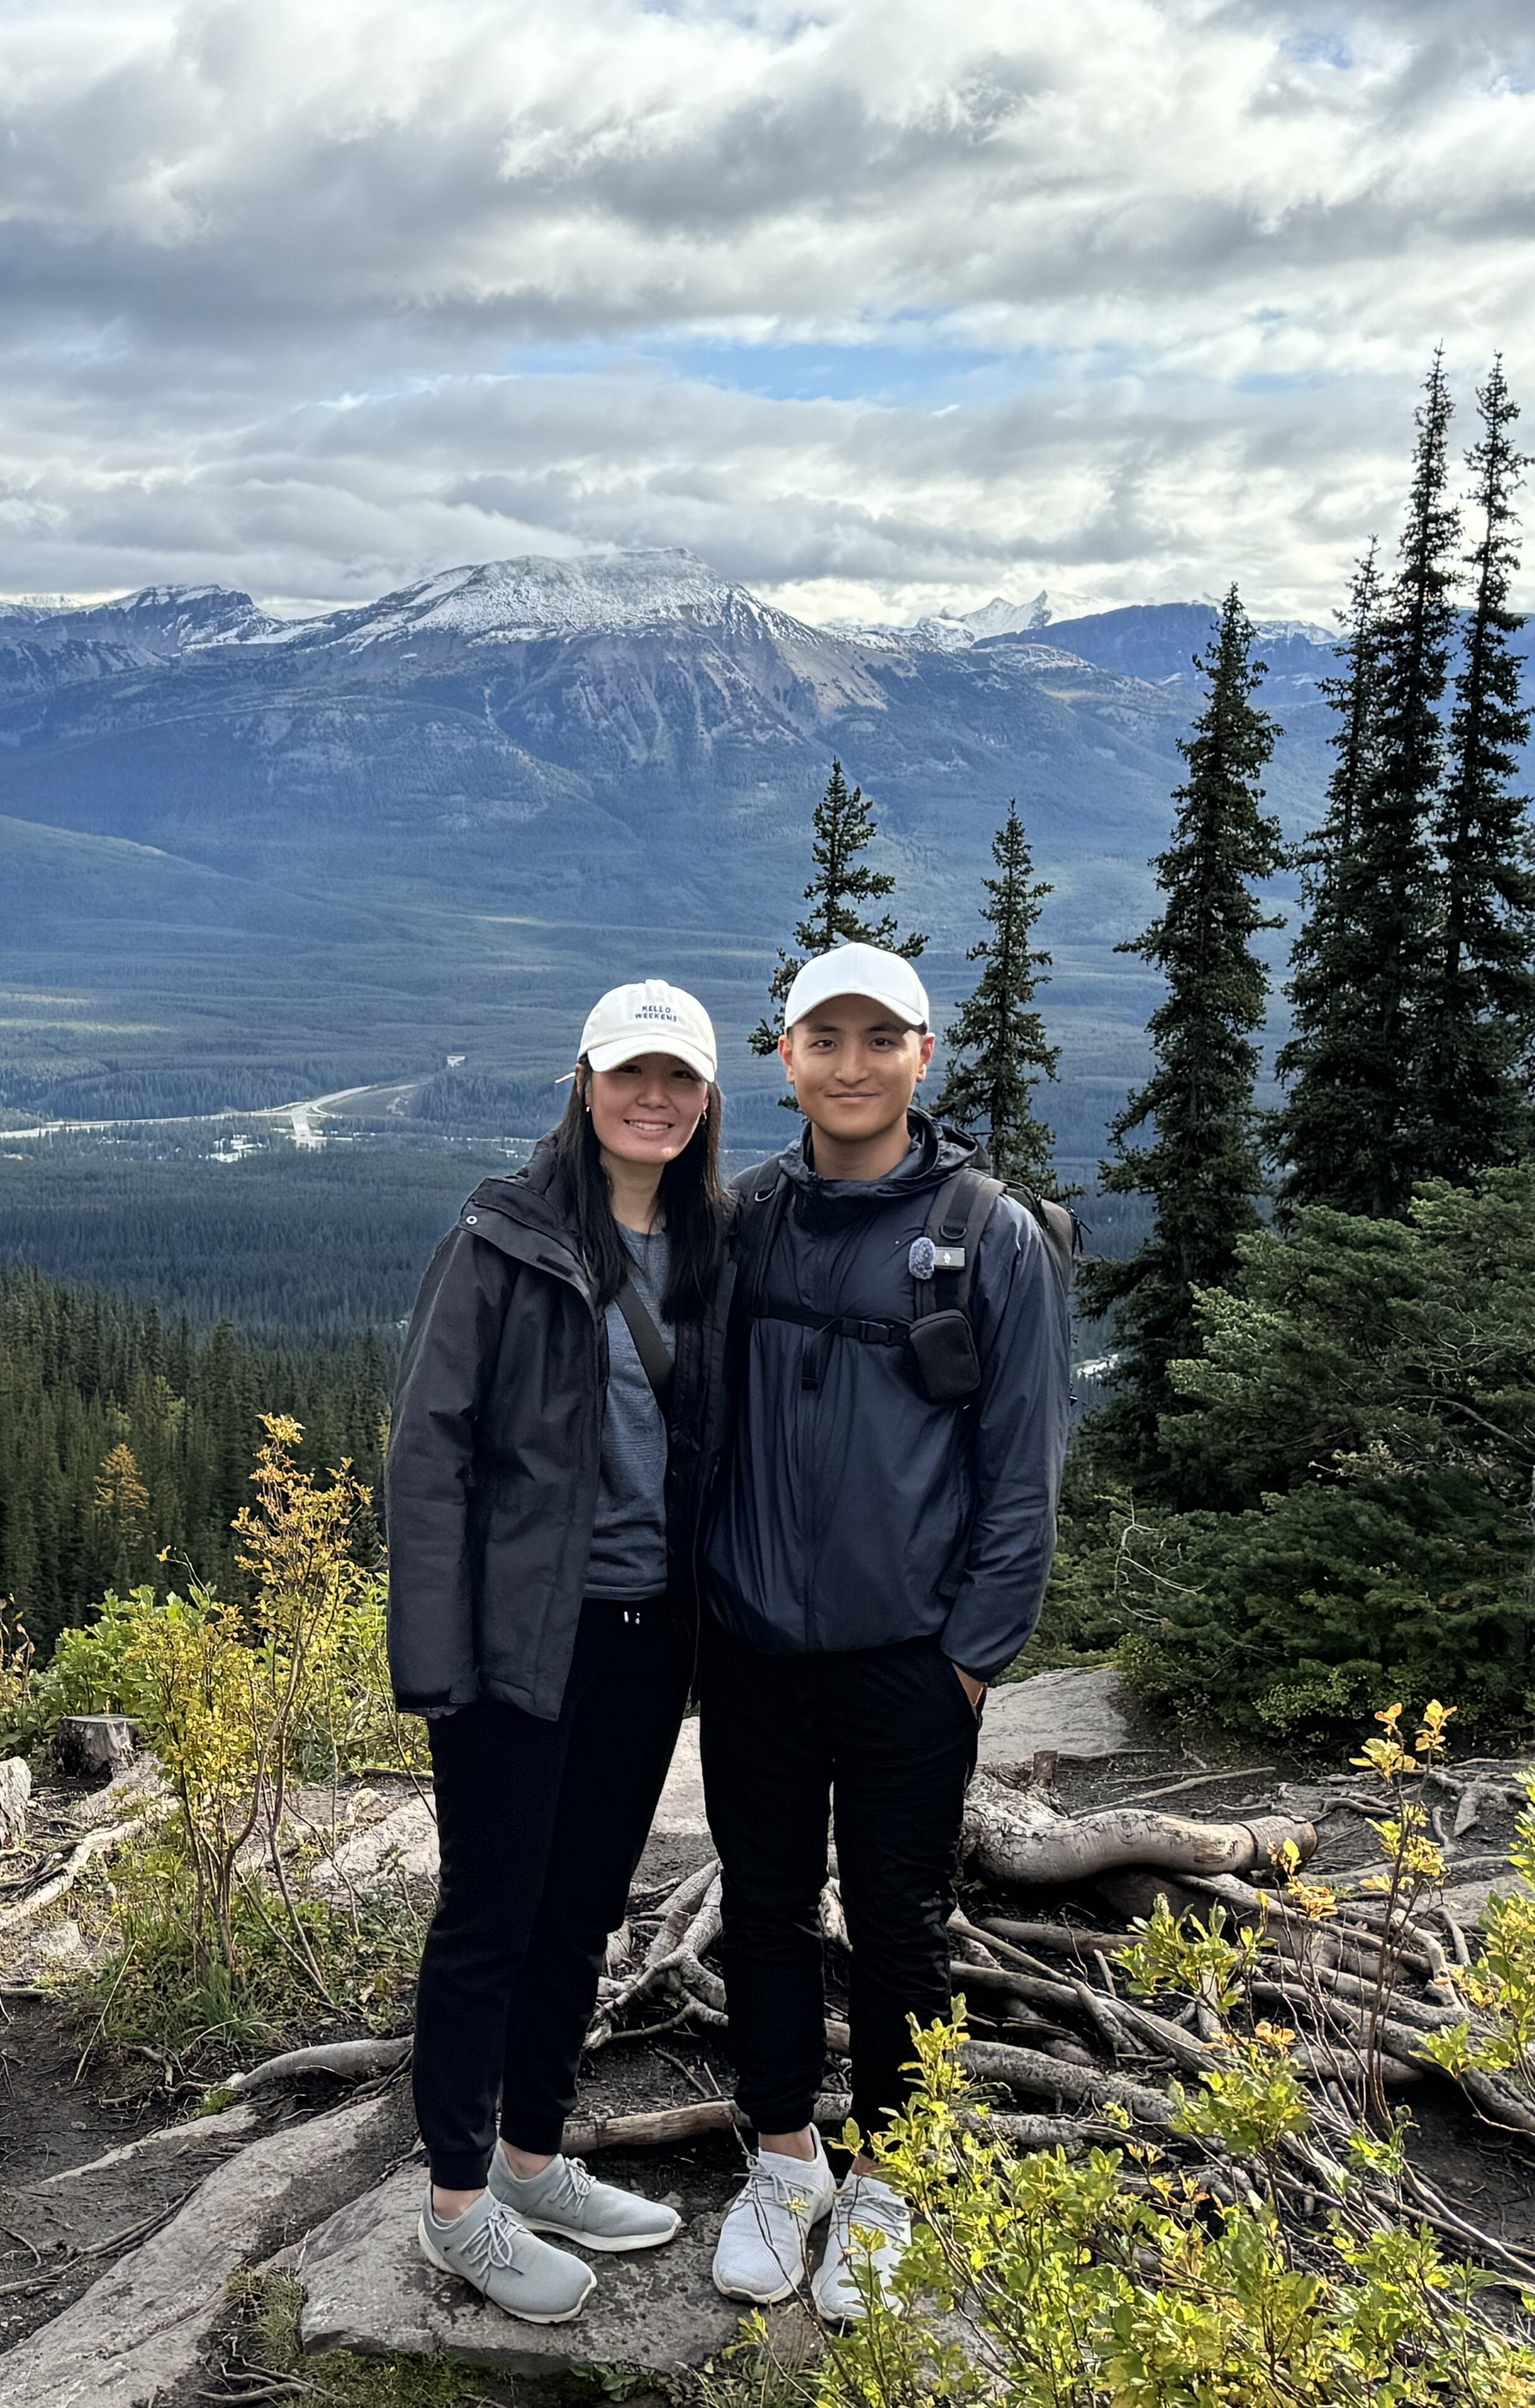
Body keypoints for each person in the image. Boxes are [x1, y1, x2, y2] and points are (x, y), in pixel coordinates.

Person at [700, 941, 1067, 2322]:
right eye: (822, 1041)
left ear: (924, 1054)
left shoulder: (992, 1235)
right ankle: (786, 2159)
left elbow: (1022, 1472)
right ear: (785, 1060)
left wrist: (972, 1657)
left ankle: (893, 2179)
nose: (849, 1067)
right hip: (749, 1651)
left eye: (877, 1040)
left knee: (904, 1926)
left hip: (912, 1660)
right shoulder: (741, 1222)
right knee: (767, 1906)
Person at [385, 978, 741, 2324]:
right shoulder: (505, 1238)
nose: (653, 1099)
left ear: (707, 1100)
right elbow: (429, 1458)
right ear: (583, 1082)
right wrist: (436, 1661)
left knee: (584, 1907)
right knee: (490, 1915)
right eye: (628, 1074)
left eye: (679, 1079)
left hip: (652, 1637)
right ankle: (458, 2206)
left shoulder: (716, 1244)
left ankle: (534, 2153)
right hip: (516, 1643)